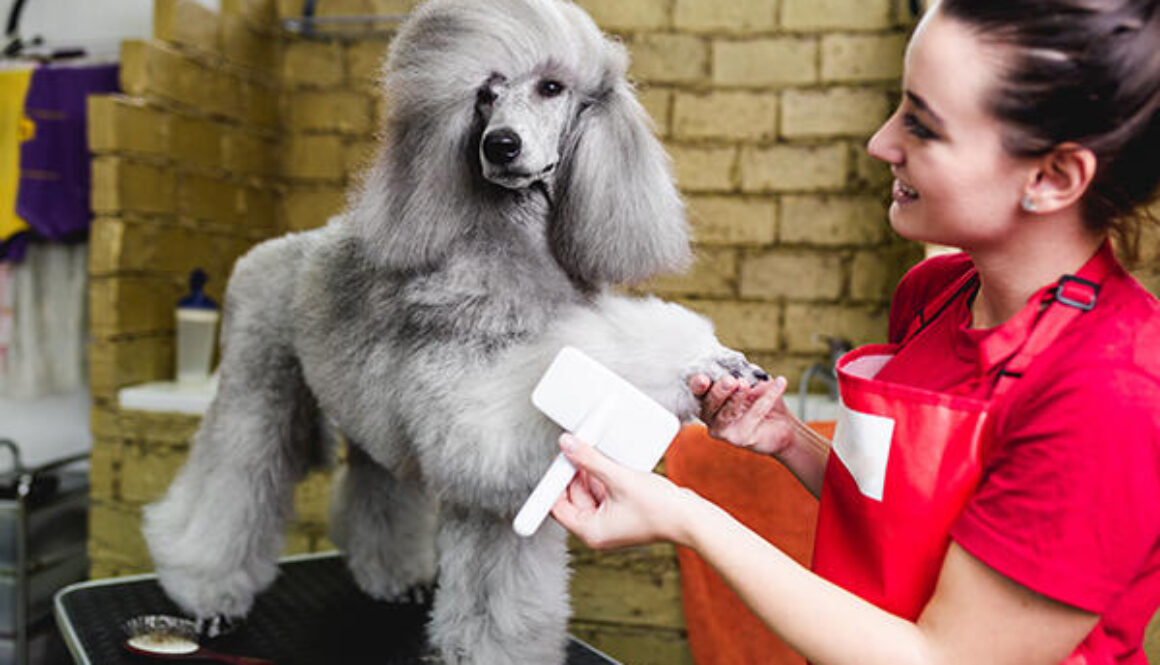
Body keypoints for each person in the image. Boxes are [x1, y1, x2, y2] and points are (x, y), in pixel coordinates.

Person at [550, 0, 1160, 663]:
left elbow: (941, 658)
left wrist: (686, 515)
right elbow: (901, 521)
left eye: (922, 126)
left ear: (1052, 177)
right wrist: (791, 440)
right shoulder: (936, 295)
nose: (881, 143)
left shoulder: (1110, 396)